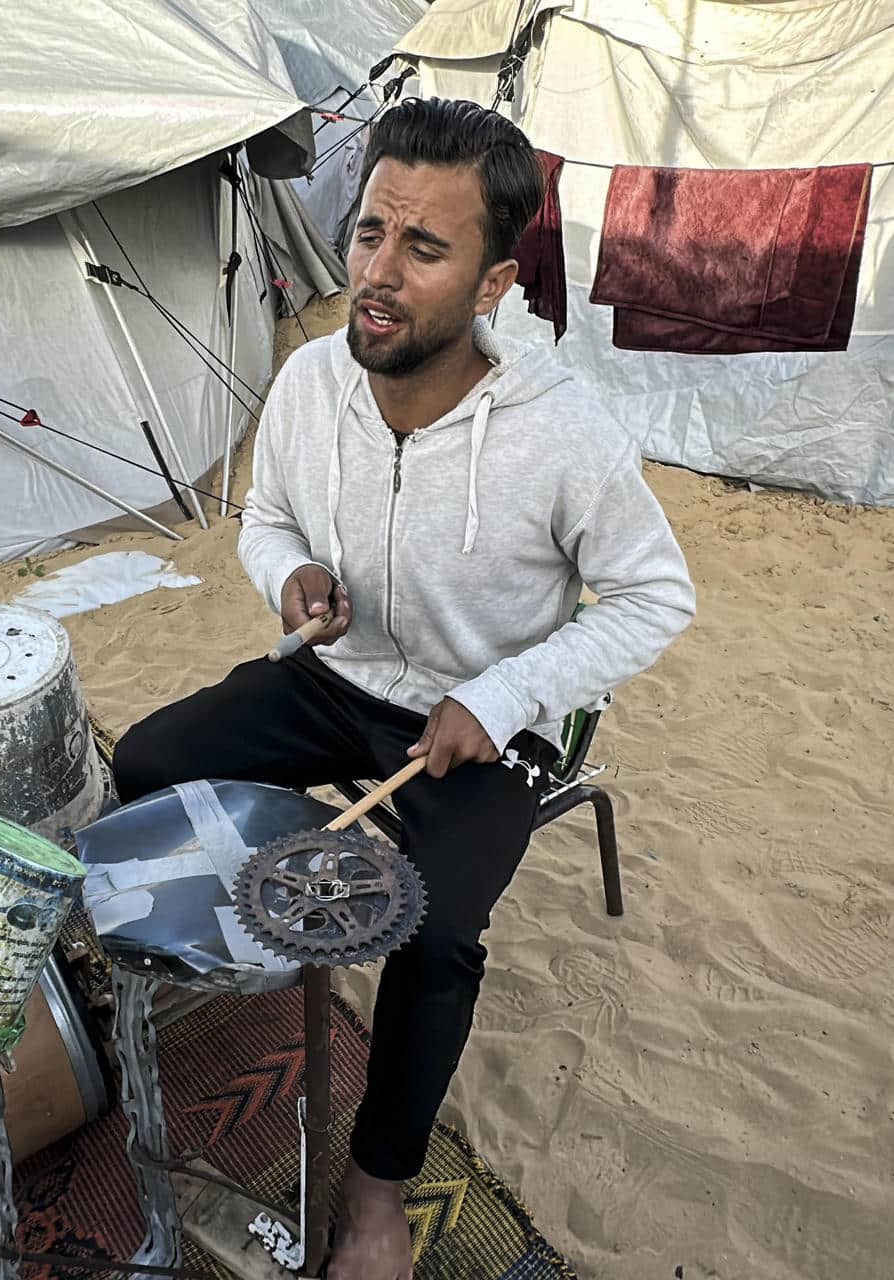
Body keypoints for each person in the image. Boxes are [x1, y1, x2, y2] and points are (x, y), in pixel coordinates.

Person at [110, 97, 696, 1279]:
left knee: (433, 933)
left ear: (493, 282)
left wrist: (510, 692)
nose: (377, 272)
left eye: (424, 248)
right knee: (149, 761)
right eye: (370, 230)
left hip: (487, 721)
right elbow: (266, 517)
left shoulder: (563, 432)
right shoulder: (313, 380)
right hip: (337, 675)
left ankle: (377, 1187)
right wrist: (294, 577)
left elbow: (654, 596)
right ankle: (227, 982)